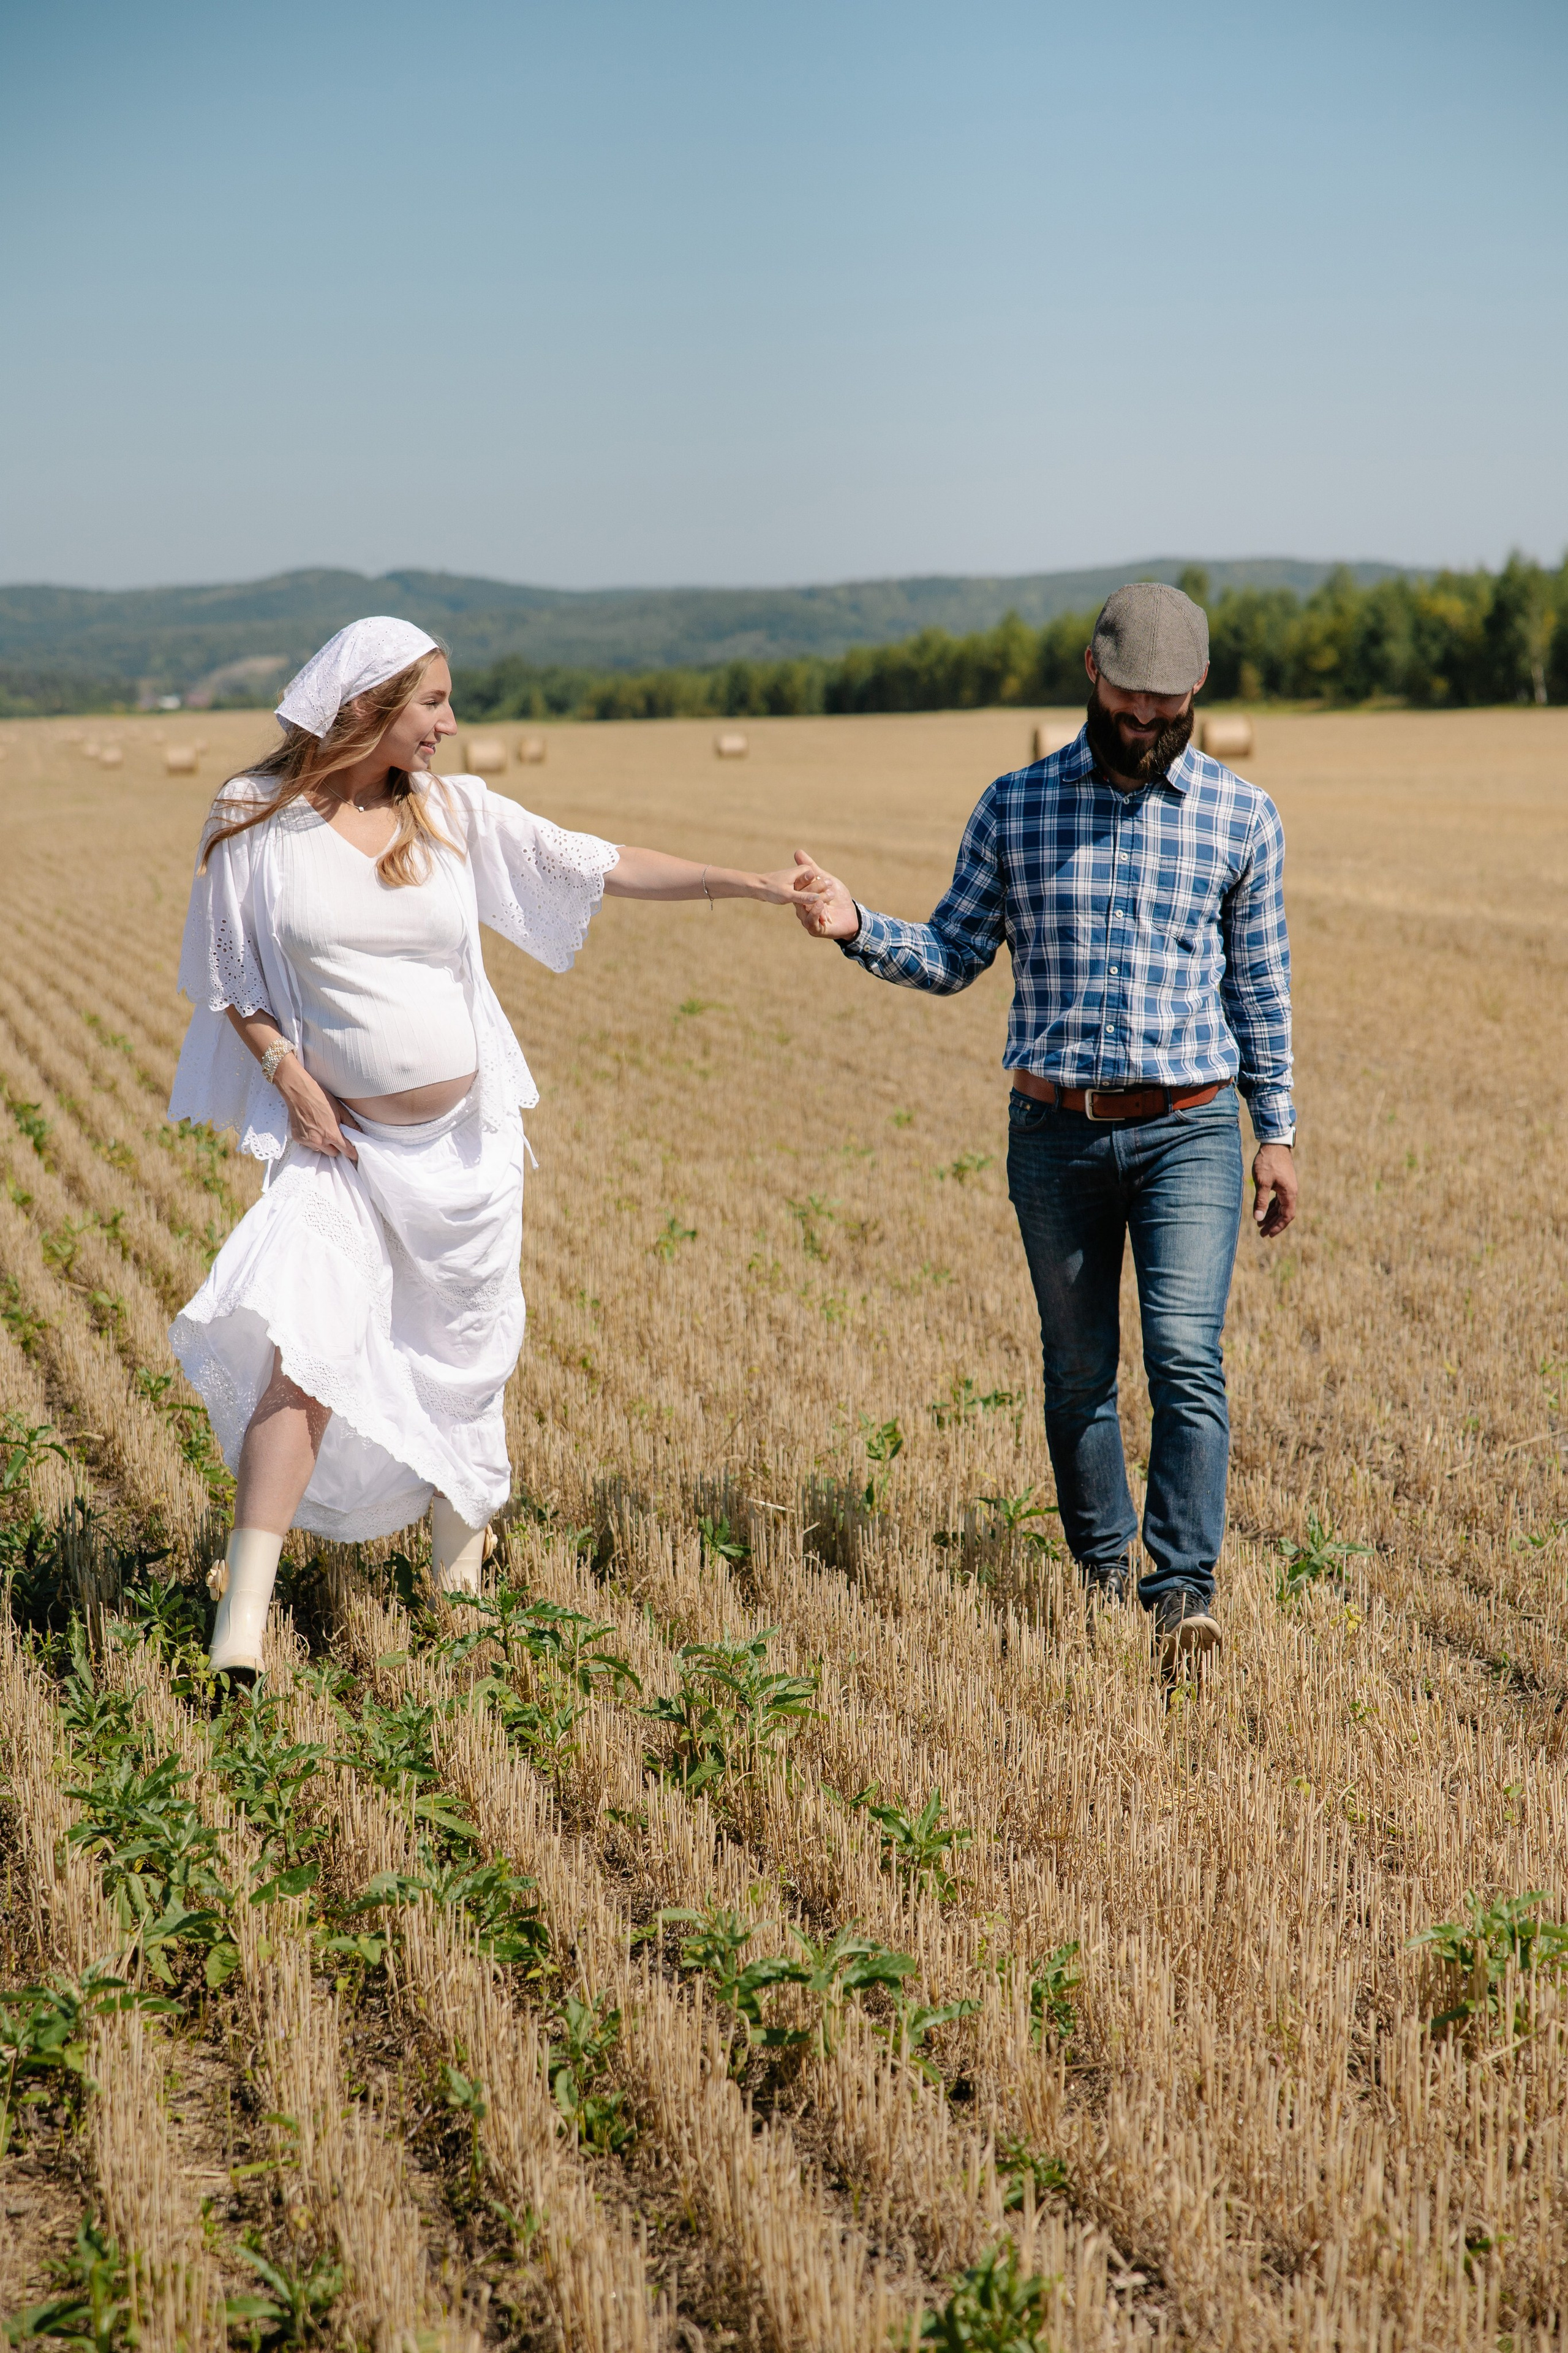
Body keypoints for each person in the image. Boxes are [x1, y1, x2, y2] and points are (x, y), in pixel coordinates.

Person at [168, 616, 821, 1685]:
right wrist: (287, 1070)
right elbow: (232, 974)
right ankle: (242, 1619)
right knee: (306, 1354)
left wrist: (750, 885)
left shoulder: (452, 812)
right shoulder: (254, 818)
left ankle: (457, 1588)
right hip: (341, 1148)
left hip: (463, 1157)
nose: (452, 723)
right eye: (433, 702)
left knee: (463, 1358)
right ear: (370, 705)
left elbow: (599, 864)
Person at [790, 582, 1297, 1671]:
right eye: (1129, 703)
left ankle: (1182, 1594)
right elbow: (955, 953)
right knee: (1078, 1374)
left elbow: (1260, 989)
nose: (1148, 724)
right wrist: (853, 926)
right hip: (1056, 1135)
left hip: (1193, 1130)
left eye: (1169, 708)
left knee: (1185, 1358)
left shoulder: (1241, 817)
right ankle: (1105, 1569)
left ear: (1198, 692)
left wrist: (1280, 1131)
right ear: (1090, 674)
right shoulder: (1014, 806)